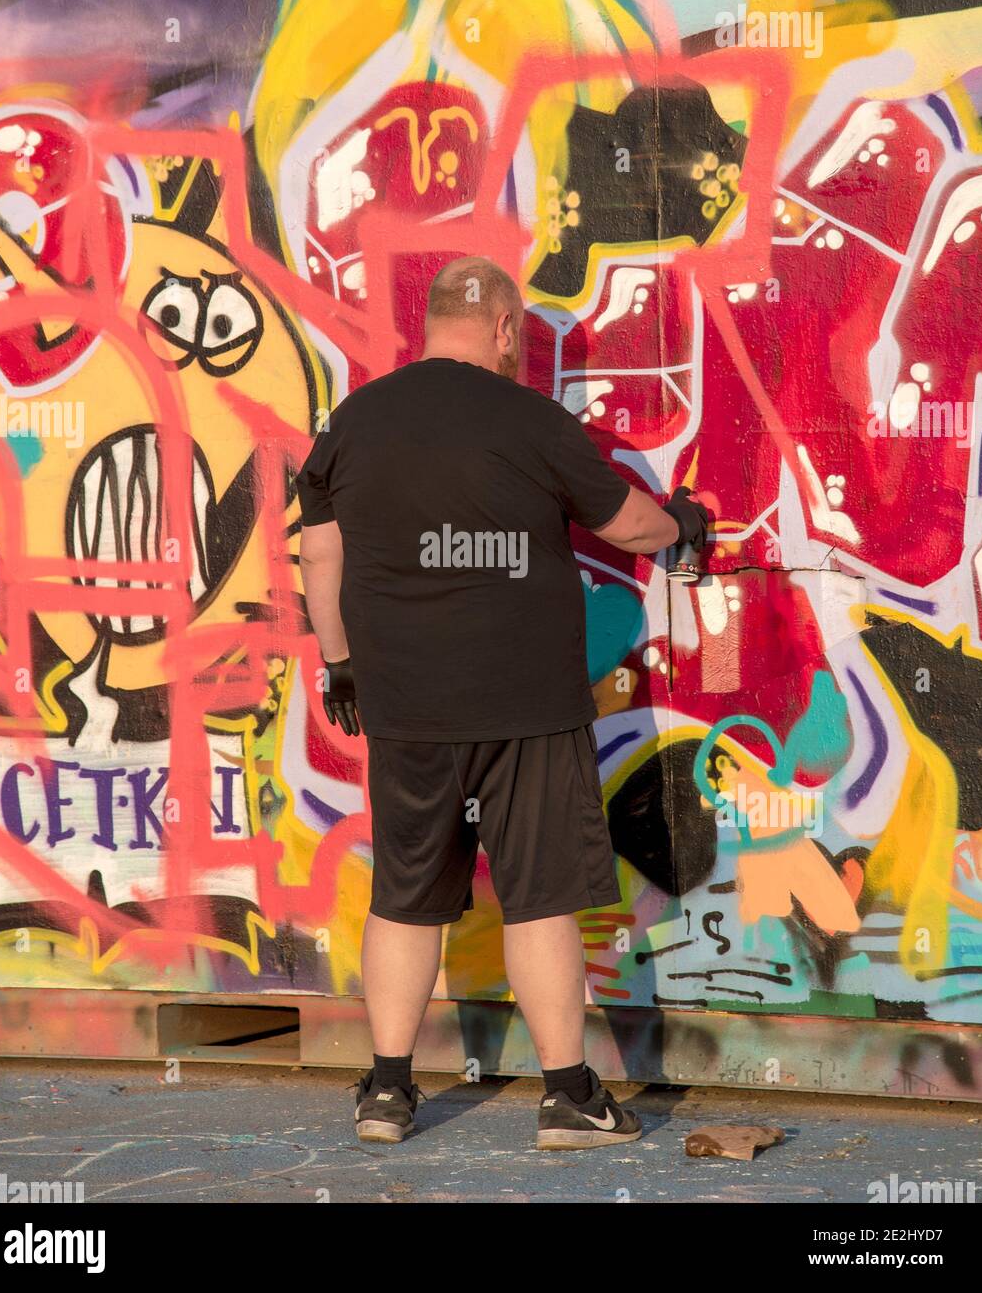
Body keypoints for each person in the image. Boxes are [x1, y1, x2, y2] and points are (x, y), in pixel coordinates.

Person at [297, 255, 709, 1149]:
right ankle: (567, 1097)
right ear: (502, 328)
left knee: (404, 895)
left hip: (404, 708)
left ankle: (386, 1094)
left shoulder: (355, 423)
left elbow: (319, 556)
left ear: (431, 321)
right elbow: (628, 524)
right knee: (538, 899)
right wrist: (684, 525)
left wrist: (340, 664)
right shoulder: (531, 420)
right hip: (525, 707)